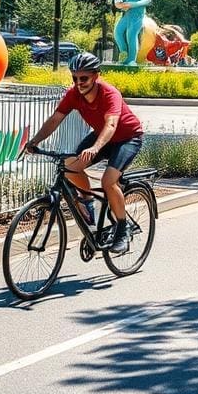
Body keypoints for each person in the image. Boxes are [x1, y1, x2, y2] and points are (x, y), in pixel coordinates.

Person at [24, 52, 144, 254]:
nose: (79, 83)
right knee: (70, 167)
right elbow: (55, 119)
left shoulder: (109, 93)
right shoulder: (74, 94)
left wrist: (96, 147)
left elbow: (111, 123)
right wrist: (34, 141)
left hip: (127, 138)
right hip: (102, 137)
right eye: (75, 78)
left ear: (96, 76)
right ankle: (88, 202)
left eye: (84, 78)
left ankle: (123, 229)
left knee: (108, 181)